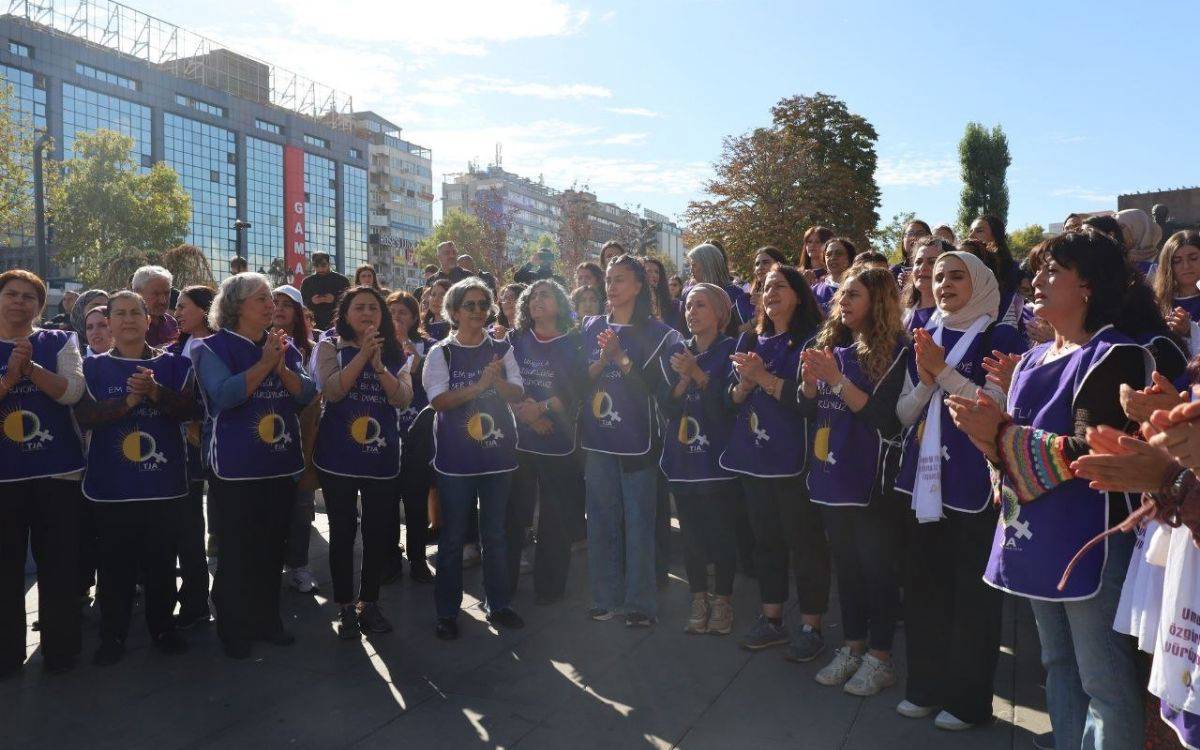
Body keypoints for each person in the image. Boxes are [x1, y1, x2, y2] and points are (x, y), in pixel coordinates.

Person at [948, 229, 1152, 748]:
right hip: (1034, 533)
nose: (1035, 279)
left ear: (1088, 285)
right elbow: (1009, 453)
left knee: (1102, 678)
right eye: (1036, 269)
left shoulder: (1115, 355)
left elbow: (1088, 451)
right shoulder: (1036, 358)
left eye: (1052, 270)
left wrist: (998, 434)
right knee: (1057, 663)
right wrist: (988, 435)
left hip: (1089, 538)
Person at [894, 252, 1025, 729]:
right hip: (924, 482)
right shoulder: (925, 333)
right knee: (924, 590)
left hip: (975, 483)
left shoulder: (1001, 336)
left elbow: (995, 406)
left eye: (956, 275)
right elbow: (905, 412)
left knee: (972, 597)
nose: (944, 283)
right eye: (937, 276)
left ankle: (969, 702)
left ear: (982, 283)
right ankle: (925, 688)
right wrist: (930, 380)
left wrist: (942, 374)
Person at [192, 273, 316, 660]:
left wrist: (280, 367)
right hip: (235, 468)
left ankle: (268, 620)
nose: (271, 305)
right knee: (237, 551)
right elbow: (225, 396)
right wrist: (265, 365)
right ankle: (233, 626)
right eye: (261, 298)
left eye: (272, 299)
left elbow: (308, 393)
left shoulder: (284, 345)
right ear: (235, 306)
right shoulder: (210, 347)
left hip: (280, 464)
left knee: (271, 548)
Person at [801, 267, 908, 697]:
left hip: (871, 481)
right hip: (832, 477)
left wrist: (835, 379)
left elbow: (883, 417)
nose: (843, 303)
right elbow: (808, 410)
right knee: (846, 569)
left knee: (876, 571)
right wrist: (810, 385)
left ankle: (880, 658)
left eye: (855, 295)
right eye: (842, 294)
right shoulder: (835, 348)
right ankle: (852, 647)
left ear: (878, 302)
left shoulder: (897, 351)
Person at [75, 291, 195, 665]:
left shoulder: (174, 364)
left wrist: (155, 392)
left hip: (164, 485)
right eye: (119, 314)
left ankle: (163, 628)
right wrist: (128, 402)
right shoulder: (91, 368)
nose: (127, 320)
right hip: (111, 488)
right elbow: (86, 417)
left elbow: (191, 410)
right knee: (114, 566)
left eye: (134, 313)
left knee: (161, 562)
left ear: (148, 320)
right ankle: (113, 634)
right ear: (108, 323)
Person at [719, 264, 830, 658]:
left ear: (799, 295)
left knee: (805, 544)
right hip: (753, 458)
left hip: (794, 461)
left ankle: (811, 626)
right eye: (765, 287)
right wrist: (745, 384)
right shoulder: (749, 336)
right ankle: (771, 620)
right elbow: (729, 400)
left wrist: (762, 378)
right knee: (766, 542)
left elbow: (807, 403)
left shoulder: (812, 341)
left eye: (780, 286)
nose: (770, 293)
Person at [579, 254, 681, 627]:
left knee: (639, 523)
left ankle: (640, 603)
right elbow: (577, 382)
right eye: (608, 279)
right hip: (597, 440)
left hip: (640, 440)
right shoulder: (591, 326)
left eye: (620, 279)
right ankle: (605, 597)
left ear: (640, 285)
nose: (612, 287)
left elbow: (659, 392)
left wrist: (620, 358)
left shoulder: (660, 334)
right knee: (602, 520)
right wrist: (599, 362)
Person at [423, 278, 526, 640]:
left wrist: (495, 383)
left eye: (484, 305)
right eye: (471, 305)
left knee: (494, 535)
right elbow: (438, 401)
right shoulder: (441, 354)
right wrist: (478, 387)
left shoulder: (501, 349)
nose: (480, 311)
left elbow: (518, 392)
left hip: (498, 459)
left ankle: (498, 604)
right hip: (455, 461)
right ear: (453, 312)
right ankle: (447, 612)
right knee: (451, 539)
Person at [314, 286, 413, 638]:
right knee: (342, 532)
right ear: (345, 313)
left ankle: (368, 602)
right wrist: (360, 358)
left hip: (381, 459)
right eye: (360, 307)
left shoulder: (396, 351)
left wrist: (379, 366)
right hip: (338, 457)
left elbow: (403, 398)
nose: (368, 313)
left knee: (377, 534)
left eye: (374, 308)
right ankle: (344, 605)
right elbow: (332, 390)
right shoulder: (328, 344)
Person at [0, 269, 86, 676]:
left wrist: (31, 369)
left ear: (39, 304)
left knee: (60, 565)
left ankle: (62, 649)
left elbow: (72, 391)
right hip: (4, 477)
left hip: (58, 471)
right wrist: (9, 378)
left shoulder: (59, 340)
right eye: (10, 294)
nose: (18, 302)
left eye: (27, 296)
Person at [657, 283, 739, 635]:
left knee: (721, 534)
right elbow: (668, 407)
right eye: (689, 306)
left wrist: (697, 374)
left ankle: (723, 601)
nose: (692, 312)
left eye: (701, 305)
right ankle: (698, 597)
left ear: (720, 313)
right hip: (682, 460)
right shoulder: (677, 350)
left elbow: (726, 407)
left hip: (717, 461)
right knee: (691, 535)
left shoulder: (730, 350)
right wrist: (680, 380)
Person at [505, 280, 585, 604]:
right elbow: (500, 381)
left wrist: (541, 409)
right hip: (518, 439)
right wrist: (525, 414)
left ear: (561, 305)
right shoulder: (514, 340)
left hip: (559, 442)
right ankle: (502, 586)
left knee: (555, 518)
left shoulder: (573, 344)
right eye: (533, 296)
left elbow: (575, 390)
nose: (538, 300)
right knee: (511, 517)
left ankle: (549, 589)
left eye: (546, 295)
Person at [168, 285, 216, 628]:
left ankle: (199, 597)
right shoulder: (175, 348)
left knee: (203, 523)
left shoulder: (220, 345)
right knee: (185, 522)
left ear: (205, 309)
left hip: (212, 445)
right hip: (179, 447)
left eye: (184, 306)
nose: (178, 313)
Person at [272, 285, 320, 594]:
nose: (278, 308)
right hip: (267, 431)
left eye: (286, 304)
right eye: (273, 302)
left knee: (302, 503)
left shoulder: (312, 348)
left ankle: (299, 566)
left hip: (305, 432)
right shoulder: (255, 343)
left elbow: (312, 392)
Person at [385, 290, 436, 582]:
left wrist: (412, 353)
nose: (396, 319)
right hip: (387, 436)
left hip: (418, 435)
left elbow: (431, 383)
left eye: (402, 313)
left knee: (416, 501)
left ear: (415, 317)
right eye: (391, 313)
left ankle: (417, 558)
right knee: (387, 501)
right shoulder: (376, 346)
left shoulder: (429, 346)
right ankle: (390, 557)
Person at [688, 243, 753, 333]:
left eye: (694, 265)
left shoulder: (734, 294)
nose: (691, 270)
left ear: (707, 266)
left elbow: (736, 332)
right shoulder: (693, 294)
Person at [1154, 230, 1200, 357]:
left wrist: (1191, 332)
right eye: (1177, 261)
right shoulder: (1157, 303)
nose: (1186, 266)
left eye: (1193, 258)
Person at [902, 237, 952, 330]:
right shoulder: (901, 313)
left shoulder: (956, 318)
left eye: (932, 262)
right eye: (918, 262)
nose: (922, 267)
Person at [300, 252, 350, 330]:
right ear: (313, 265)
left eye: (323, 265)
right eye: (316, 265)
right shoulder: (307, 282)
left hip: (337, 323)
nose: (320, 268)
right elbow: (302, 303)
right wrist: (312, 301)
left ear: (329, 264)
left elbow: (349, 302)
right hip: (314, 324)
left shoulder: (342, 280)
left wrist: (334, 299)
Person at [131, 266, 179, 348]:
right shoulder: (127, 325)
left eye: (167, 293)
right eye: (156, 294)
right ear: (137, 293)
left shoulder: (171, 323)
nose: (163, 301)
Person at [812, 237, 858, 311]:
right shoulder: (815, 291)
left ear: (849, 258)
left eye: (839, 254)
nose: (833, 258)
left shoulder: (859, 288)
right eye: (828, 254)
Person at [644, 257, 684, 332]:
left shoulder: (675, 306)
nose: (654, 275)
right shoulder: (634, 304)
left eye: (656, 272)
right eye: (648, 271)